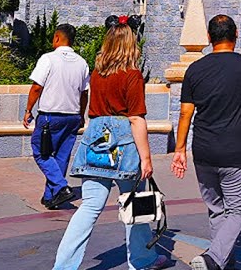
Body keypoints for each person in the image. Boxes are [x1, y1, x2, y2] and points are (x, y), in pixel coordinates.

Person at [53, 15, 173, 270]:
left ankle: (63, 266)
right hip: (124, 145)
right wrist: (147, 158)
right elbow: (136, 118)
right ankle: (141, 260)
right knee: (136, 203)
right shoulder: (132, 75)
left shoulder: (98, 74)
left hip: (96, 142)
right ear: (131, 44)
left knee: (89, 208)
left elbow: (93, 112)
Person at [171, 15, 241, 270]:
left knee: (216, 209)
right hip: (235, 152)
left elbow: (185, 112)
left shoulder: (195, 69)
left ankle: (223, 264)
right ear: (236, 35)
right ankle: (213, 258)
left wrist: (180, 149)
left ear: (208, 38)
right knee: (239, 209)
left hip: (203, 151)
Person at [24, 23, 89, 210]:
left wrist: (28, 110)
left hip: (50, 117)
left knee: (41, 153)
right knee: (61, 156)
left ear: (57, 38)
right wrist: (81, 114)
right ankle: (50, 197)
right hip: (72, 116)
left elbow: (37, 87)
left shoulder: (48, 59)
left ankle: (60, 188)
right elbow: (84, 93)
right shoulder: (82, 62)